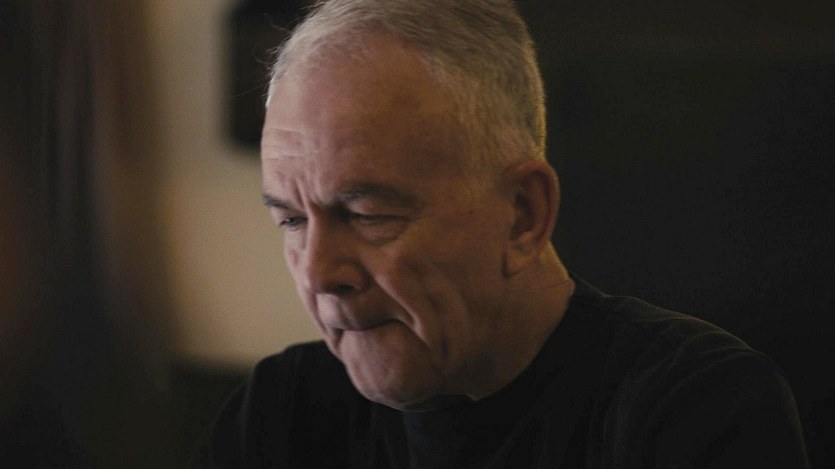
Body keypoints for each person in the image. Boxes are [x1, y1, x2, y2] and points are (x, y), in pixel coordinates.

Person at [197, 0, 809, 467]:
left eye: (367, 214)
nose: (319, 273)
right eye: (293, 220)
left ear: (522, 214)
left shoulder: (692, 409)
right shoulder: (283, 409)